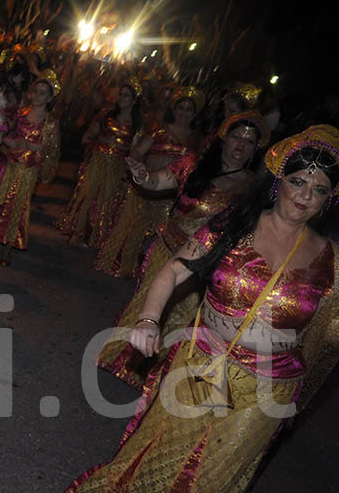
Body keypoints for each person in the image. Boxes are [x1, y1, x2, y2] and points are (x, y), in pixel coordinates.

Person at [67, 124, 339, 492]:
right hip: (201, 364)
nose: (305, 196)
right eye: (298, 182)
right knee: (160, 458)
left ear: (330, 198)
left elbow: (327, 334)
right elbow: (174, 270)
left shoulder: (331, 261)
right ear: (279, 182)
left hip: (267, 391)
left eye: (318, 189)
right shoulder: (236, 223)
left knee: (214, 478)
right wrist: (148, 320)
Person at [97, 111, 269, 388]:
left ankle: (151, 373)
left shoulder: (252, 188)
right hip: (167, 252)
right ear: (223, 138)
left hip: (205, 266)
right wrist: (142, 176)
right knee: (149, 305)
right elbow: (155, 181)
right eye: (236, 137)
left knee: (180, 319)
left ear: (256, 148)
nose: (240, 145)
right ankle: (121, 358)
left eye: (249, 141)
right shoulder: (193, 166)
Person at [95, 86, 203, 277]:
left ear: (195, 114)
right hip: (147, 187)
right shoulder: (159, 131)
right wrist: (138, 170)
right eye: (180, 108)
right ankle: (118, 264)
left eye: (189, 109)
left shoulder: (197, 141)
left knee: (161, 236)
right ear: (173, 110)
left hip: (171, 196)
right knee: (132, 226)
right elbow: (136, 152)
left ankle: (147, 271)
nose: (184, 113)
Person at [0, 69, 61, 265]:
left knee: (18, 206)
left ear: (50, 97)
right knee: (1, 199)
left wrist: (31, 146)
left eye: (43, 92)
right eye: (36, 90)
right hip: (11, 163)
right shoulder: (22, 113)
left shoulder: (50, 122)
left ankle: (9, 246)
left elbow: (50, 148)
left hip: (28, 170)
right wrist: (11, 142)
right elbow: (6, 134)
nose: (38, 95)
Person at [57, 77, 141, 246]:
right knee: (87, 193)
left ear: (133, 100)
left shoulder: (137, 125)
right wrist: (88, 140)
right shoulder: (106, 114)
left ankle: (92, 235)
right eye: (121, 94)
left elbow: (135, 149)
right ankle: (76, 231)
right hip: (97, 159)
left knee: (105, 199)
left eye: (126, 95)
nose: (122, 98)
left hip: (117, 165)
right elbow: (92, 132)